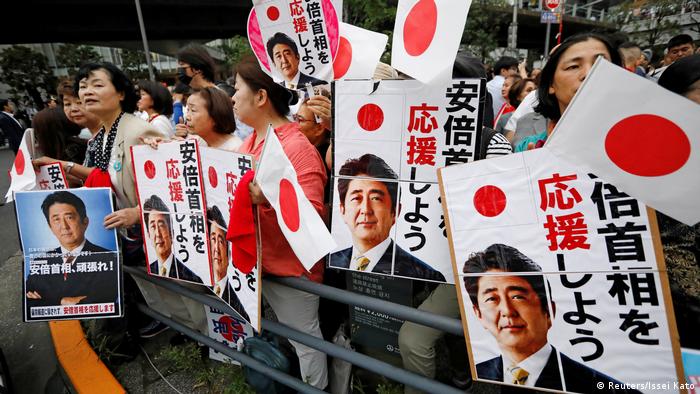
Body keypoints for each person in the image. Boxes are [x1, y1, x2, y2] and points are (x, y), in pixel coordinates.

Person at [233, 56, 328, 389]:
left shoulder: (297, 148)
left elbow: (314, 214)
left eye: (237, 89)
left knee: (306, 342)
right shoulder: (248, 144)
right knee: (286, 336)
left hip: (292, 270)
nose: (232, 98)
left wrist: (267, 198)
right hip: (262, 265)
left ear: (260, 97)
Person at [464, 243, 639, 393]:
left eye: (517, 296)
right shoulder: (479, 375)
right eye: (492, 299)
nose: (507, 311)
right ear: (478, 314)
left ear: (548, 310)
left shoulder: (605, 389)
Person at [329, 154, 446, 282]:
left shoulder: (425, 276)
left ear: (395, 211)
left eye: (376, 199)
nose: (366, 210)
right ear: (342, 210)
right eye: (356, 198)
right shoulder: (331, 263)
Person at [513, 33, 621, 152]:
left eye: (601, 64)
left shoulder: (640, 143)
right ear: (551, 84)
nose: (589, 73)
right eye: (573, 66)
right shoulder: (527, 150)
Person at [25, 191, 118, 308]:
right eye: (56, 219)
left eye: (69, 217)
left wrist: (47, 299)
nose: (64, 226)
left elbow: (103, 300)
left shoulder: (108, 258)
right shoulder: (40, 263)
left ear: (85, 222)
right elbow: (28, 303)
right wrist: (62, 301)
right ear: (50, 227)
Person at [143, 194, 203, 283]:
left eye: (161, 225)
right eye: (153, 226)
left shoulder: (191, 278)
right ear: (148, 234)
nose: (158, 234)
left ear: (172, 232)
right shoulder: (146, 272)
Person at [208, 205, 251, 322]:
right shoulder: (201, 280)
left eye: (221, 241)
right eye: (213, 240)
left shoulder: (242, 300)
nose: (216, 248)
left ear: (230, 252)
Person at [31, 108, 86, 182]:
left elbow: (84, 179)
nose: (36, 136)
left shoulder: (72, 150)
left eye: (37, 132)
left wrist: (52, 170)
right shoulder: (71, 145)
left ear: (46, 133)